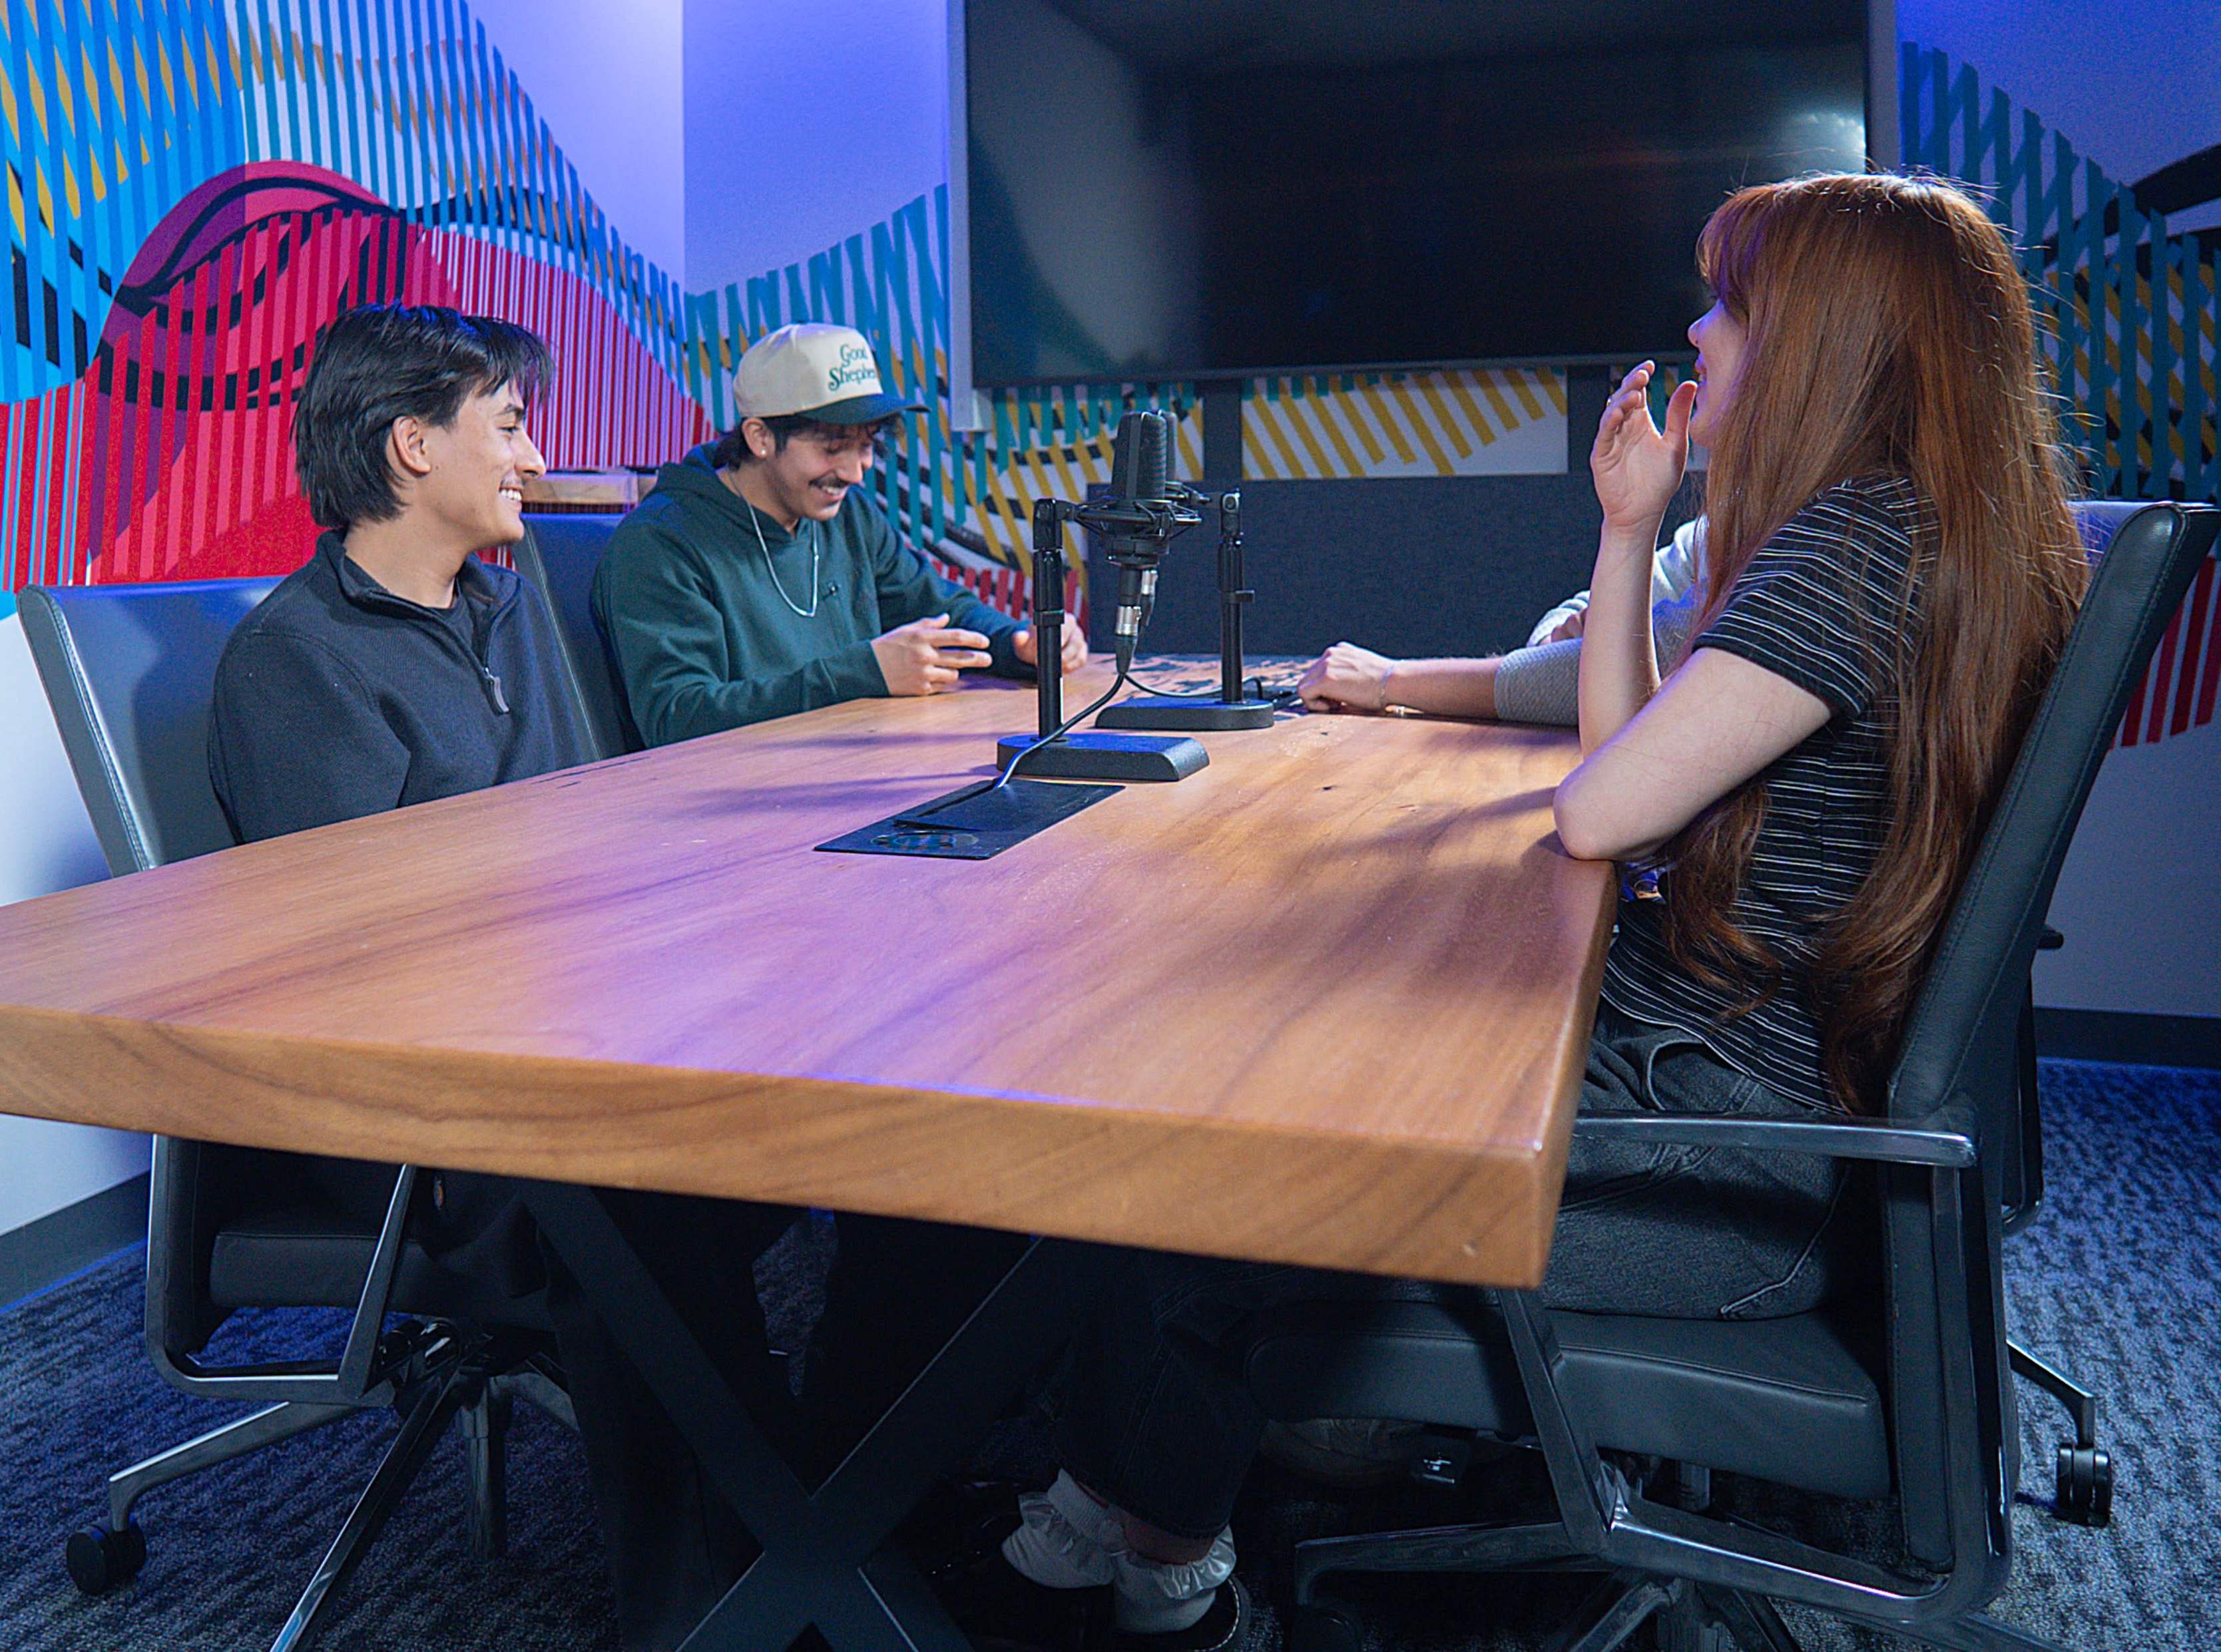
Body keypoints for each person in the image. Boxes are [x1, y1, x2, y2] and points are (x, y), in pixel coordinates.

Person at [961, 173, 2091, 1652]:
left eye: (1733, 304)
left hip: (1711, 1164)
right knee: (1268, 1051)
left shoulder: (1854, 548)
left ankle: (1161, 1579)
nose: (1699, 327)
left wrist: (1633, 559)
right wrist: (1632, 533)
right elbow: (1634, 774)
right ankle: (1111, 1495)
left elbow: (1601, 812)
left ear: (1825, 339)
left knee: (1202, 1162)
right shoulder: (1921, 530)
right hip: (1738, 1098)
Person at [203, 304, 593, 1341]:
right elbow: (366, 957)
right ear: (413, 445)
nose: (533, 455)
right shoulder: (296, 659)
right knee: (666, 1184)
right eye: (508, 425)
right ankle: (734, 1497)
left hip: (557, 1026)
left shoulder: (506, 610)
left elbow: (585, 823)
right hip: (422, 1100)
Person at [595, 321, 1086, 745]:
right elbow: (678, 719)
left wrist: (1019, 643)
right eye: (833, 447)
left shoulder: (849, 518)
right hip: (717, 815)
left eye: (866, 445)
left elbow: (941, 609)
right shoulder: (661, 544)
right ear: (760, 438)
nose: (855, 472)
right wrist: (863, 674)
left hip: (847, 775)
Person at [1296, 518, 1707, 723]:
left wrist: (1387, 680)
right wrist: (1567, 657)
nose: (1696, 346)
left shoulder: (1771, 550)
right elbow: (1563, 636)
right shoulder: (1715, 527)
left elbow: (1627, 669)